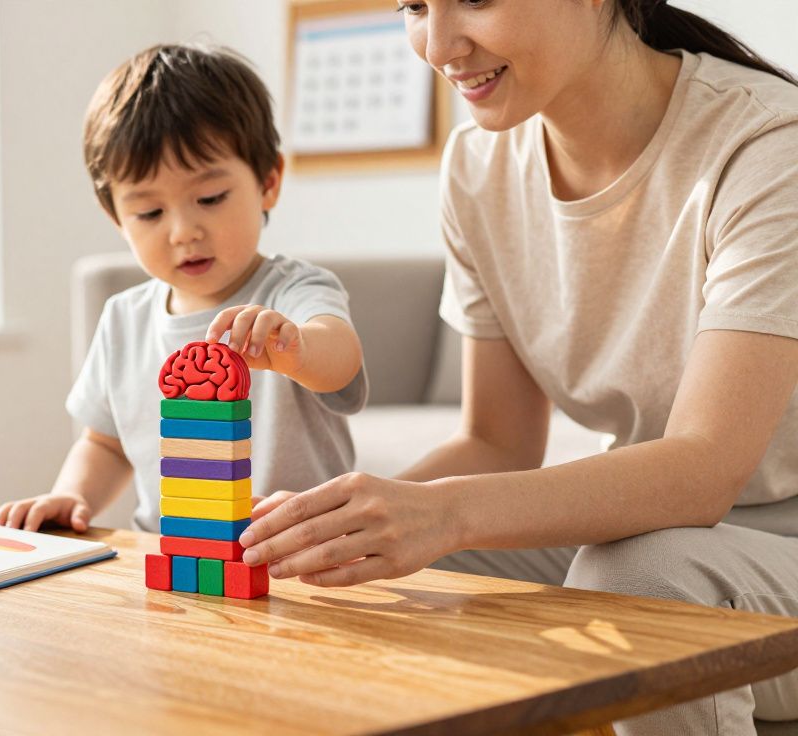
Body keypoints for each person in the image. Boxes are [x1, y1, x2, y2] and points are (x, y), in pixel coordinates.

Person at [239, 1, 798, 732]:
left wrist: (446, 512)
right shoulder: (478, 167)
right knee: (346, 577)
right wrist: (334, 524)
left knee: (636, 577)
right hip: (653, 526)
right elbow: (498, 442)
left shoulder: (766, 145)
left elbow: (706, 468)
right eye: (414, 6)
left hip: (766, 548)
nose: (438, 46)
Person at [0, 43, 367, 534]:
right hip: (173, 550)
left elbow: (340, 362)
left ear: (268, 182)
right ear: (116, 217)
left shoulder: (294, 290)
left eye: (210, 198)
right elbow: (105, 442)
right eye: (149, 212)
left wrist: (296, 349)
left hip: (300, 550)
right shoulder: (123, 319)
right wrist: (72, 495)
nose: (184, 232)